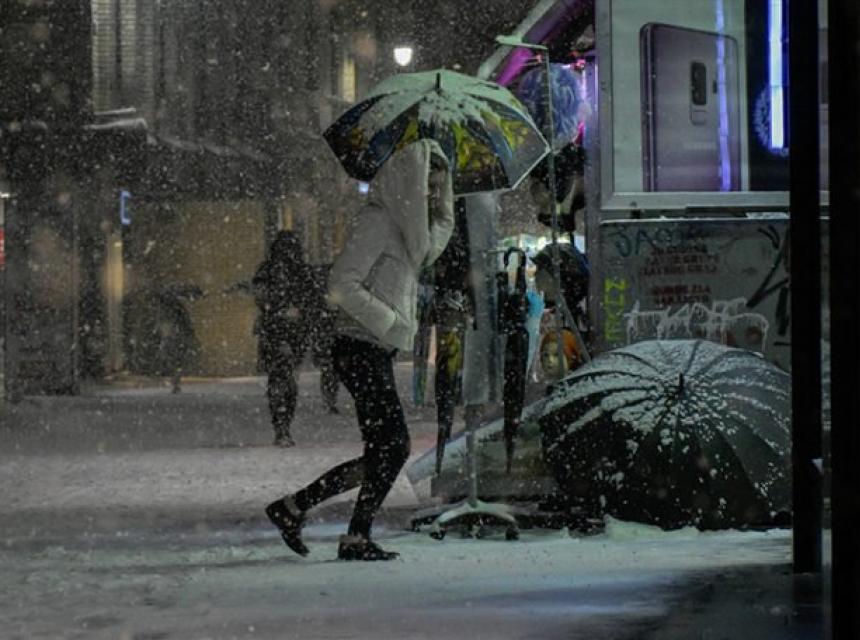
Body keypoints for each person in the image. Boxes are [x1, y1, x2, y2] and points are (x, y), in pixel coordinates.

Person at [265, 139, 454, 561]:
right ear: (410, 183)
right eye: (429, 186)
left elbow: (415, 261)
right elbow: (341, 285)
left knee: (384, 450)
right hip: (357, 347)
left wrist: (441, 217)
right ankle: (344, 529)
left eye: (441, 189)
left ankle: (300, 511)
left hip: (374, 349)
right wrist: (390, 320)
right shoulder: (379, 221)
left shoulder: (408, 234)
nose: (434, 196)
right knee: (394, 447)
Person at [253, 231, 319, 447]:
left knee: (279, 378)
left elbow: (261, 297)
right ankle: (283, 425)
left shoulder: (269, 270)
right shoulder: (300, 271)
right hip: (291, 331)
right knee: (287, 378)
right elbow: (312, 299)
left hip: (276, 330)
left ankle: (281, 425)